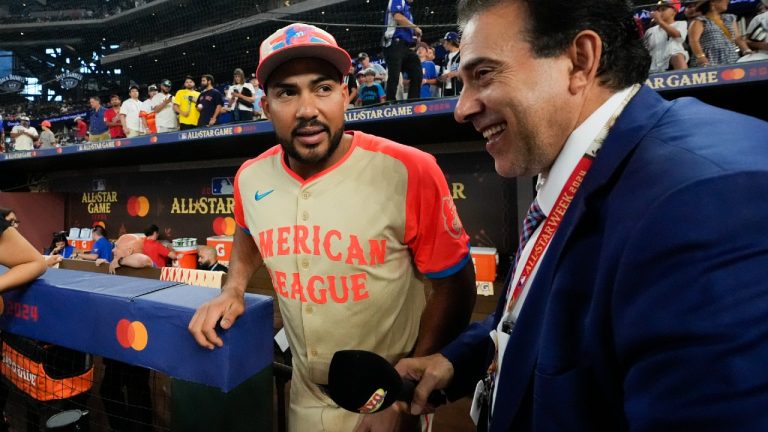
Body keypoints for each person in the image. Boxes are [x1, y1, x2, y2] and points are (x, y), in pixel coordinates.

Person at [396, 1, 768, 431]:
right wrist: (455, 361)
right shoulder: (582, 160)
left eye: (483, 75)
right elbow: (538, 313)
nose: (461, 109)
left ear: (580, 60)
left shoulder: (703, 202)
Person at [188, 22, 476, 432]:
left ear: (346, 95)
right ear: (265, 106)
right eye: (287, 92)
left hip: (387, 402)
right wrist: (234, 288)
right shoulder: (250, 177)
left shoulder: (409, 169)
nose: (307, 109)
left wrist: (400, 397)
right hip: (305, 398)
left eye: (322, 88)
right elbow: (247, 229)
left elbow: (456, 285)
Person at [689, 0, 752, 66]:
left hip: (731, 57)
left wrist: (747, 51)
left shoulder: (729, 18)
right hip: (709, 59)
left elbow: (737, 38)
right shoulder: (700, 21)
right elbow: (694, 41)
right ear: (712, 2)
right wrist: (701, 56)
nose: (727, 1)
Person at [382, 0, 423, 101]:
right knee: (394, 76)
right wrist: (415, 27)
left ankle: (413, 100)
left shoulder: (408, 10)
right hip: (393, 44)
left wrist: (414, 38)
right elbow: (397, 17)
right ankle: (390, 102)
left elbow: (402, 30)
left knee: (416, 71)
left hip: (405, 46)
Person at [645, 0, 689, 73]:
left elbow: (677, 35)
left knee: (678, 56)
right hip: (654, 65)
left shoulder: (681, 24)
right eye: (658, 10)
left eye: (663, 9)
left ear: (674, 11)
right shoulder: (650, 31)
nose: (660, 13)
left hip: (671, 62)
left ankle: (685, 80)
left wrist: (659, 21)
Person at [438, 31, 462, 97]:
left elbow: (469, 72)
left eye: (445, 42)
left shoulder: (463, 54)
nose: (443, 44)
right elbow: (441, 73)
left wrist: (455, 73)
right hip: (446, 89)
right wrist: (441, 77)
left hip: (459, 90)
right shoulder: (445, 57)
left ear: (450, 42)